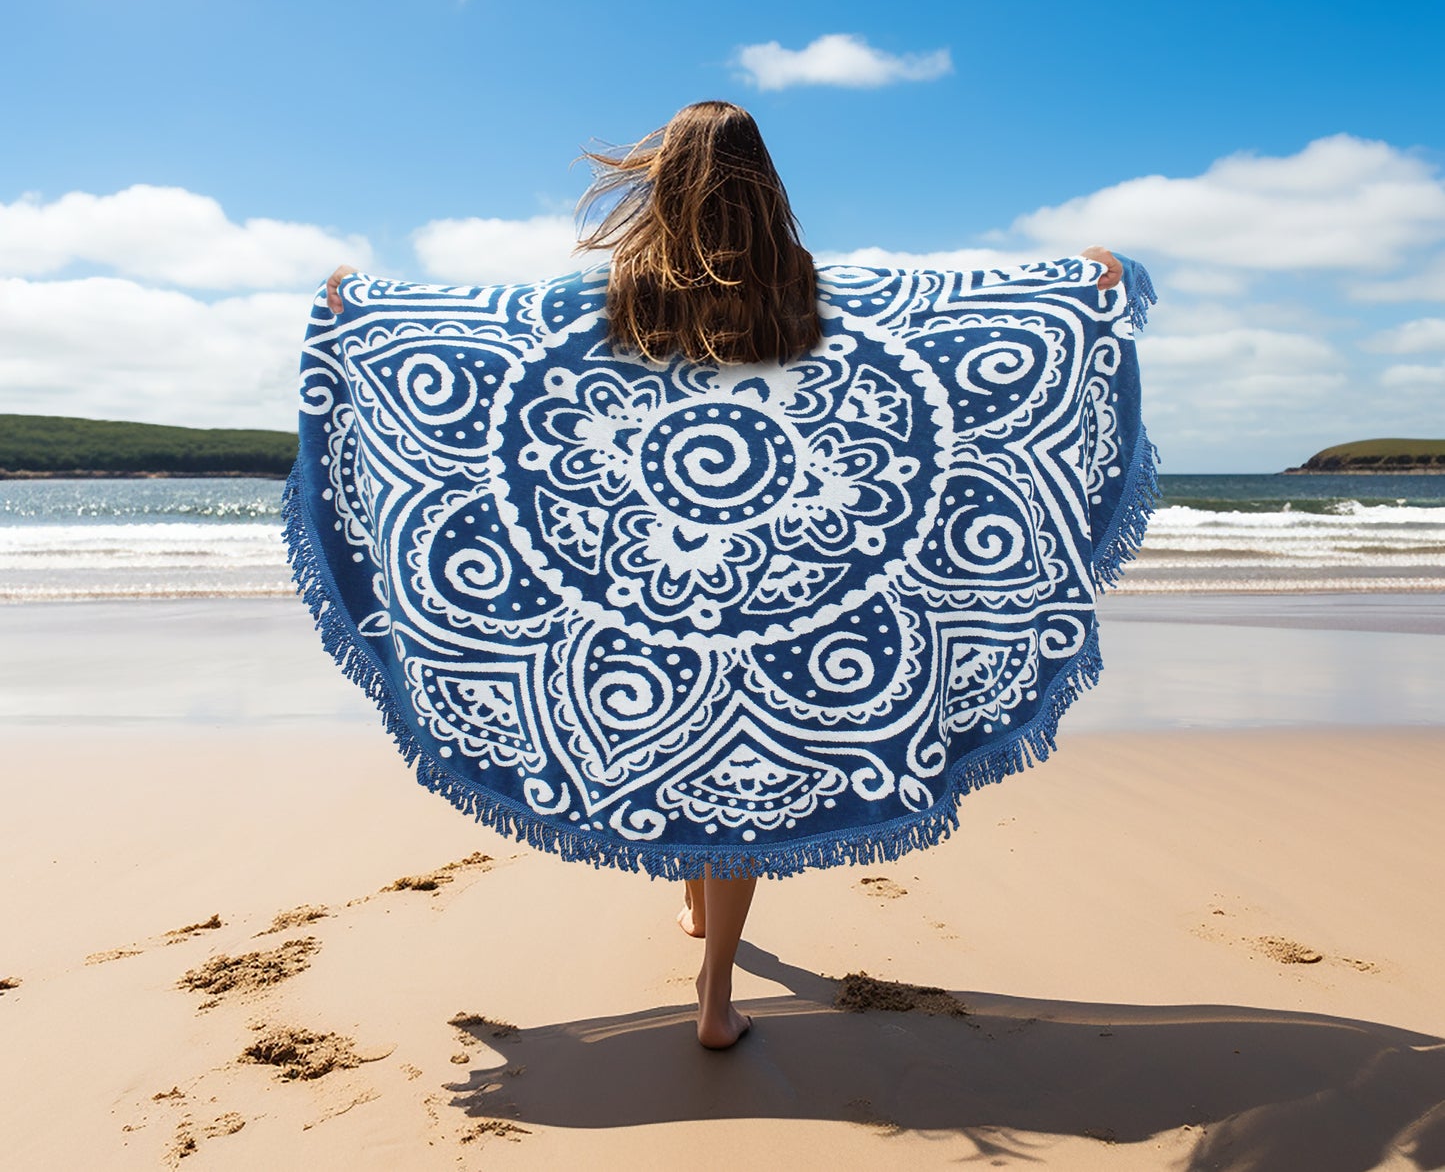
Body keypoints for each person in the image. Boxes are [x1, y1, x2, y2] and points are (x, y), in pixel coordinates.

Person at [323, 100, 1124, 1050]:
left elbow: (481, 325)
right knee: (734, 769)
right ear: (766, 186)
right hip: (778, 562)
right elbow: (943, 302)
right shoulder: (814, 293)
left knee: (686, 737)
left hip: (650, 563)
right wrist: (1079, 282)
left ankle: (707, 952)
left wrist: (361, 298)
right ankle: (711, 986)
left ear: (662, 183)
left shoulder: (619, 296)